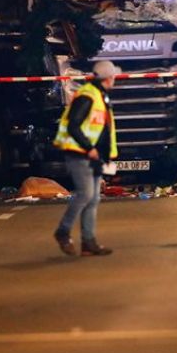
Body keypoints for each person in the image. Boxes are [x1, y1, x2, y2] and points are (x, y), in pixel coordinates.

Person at [53, 61, 119, 257]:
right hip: (80, 153)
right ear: (109, 78)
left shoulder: (99, 95)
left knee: (94, 198)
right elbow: (74, 125)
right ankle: (63, 231)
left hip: (94, 155)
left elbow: (102, 129)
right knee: (85, 194)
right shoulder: (88, 96)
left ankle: (88, 242)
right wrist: (88, 147)